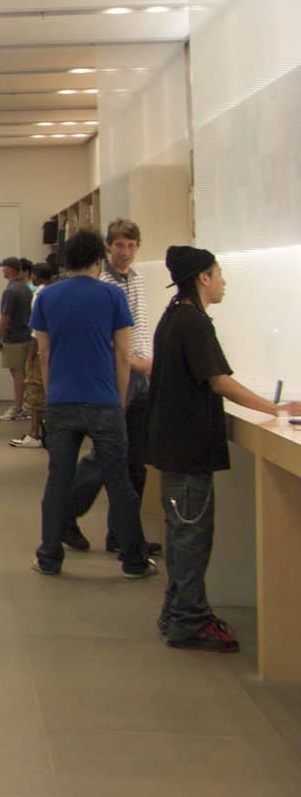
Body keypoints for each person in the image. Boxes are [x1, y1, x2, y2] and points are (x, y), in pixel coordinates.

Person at [146, 245, 300, 651]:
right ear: (203, 277)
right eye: (219, 273)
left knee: (183, 534)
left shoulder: (175, 315)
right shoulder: (193, 322)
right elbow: (219, 380)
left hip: (175, 446)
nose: (223, 281)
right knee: (192, 537)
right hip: (188, 450)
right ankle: (190, 621)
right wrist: (276, 409)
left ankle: (177, 611)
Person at [29, 229, 154, 579]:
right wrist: (121, 400)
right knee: (119, 481)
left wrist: (54, 391)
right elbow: (123, 357)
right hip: (104, 401)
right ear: (99, 260)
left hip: (61, 401)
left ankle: (49, 557)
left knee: (58, 479)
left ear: (67, 261)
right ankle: (133, 560)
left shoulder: (47, 297)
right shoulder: (113, 296)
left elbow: (43, 353)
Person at [68, 219, 155, 554]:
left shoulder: (137, 280)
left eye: (132, 246)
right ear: (108, 247)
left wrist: (145, 363)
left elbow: (140, 329)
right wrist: (135, 363)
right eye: (120, 245)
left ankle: (123, 533)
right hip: (115, 375)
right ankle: (64, 514)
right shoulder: (101, 284)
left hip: (141, 377)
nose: (126, 252)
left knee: (135, 461)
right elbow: (106, 339)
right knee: (105, 456)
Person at [10, 263, 53, 449]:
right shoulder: (55, 292)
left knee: (35, 391)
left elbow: (37, 330)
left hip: (40, 349)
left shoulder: (39, 295)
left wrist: (30, 357)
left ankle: (35, 433)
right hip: (56, 350)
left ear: (35, 276)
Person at [0, 256, 34, 422]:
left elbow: (5, 318)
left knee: (17, 373)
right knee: (24, 373)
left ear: (10, 269)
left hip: (14, 338)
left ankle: (18, 408)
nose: (2, 270)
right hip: (27, 335)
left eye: (3, 267)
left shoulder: (10, 291)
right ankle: (25, 405)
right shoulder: (25, 288)